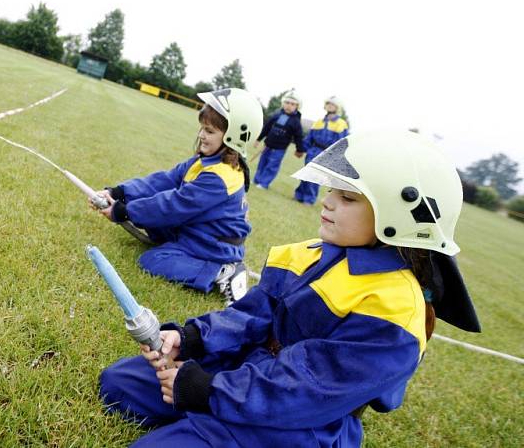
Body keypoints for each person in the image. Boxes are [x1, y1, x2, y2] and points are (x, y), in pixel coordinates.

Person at [98, 131, 481, 447]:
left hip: (299, 421)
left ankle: (207, 419)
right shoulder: (305, 254)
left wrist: (210, 390)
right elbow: (250, 314)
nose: (327, 202)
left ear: (400, 217)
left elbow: (308, 387)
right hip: (249, 373)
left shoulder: (395, 309)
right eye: (333, 190)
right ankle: (201, 413)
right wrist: (191, 339)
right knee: (119, 385)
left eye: (347, 197)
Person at [91, 88, 263, 305]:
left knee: (152, 259)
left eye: (209, 131)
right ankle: (191, 255)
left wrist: (124, 211)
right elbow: (163, 180)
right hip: (197, 231)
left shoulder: (220, 177)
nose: (201, 135)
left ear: (233, 137)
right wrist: (120, 193)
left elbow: (173, 206)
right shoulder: (204, 161)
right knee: (152, 222)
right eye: (202, 128)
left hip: (212, 245)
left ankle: (222, 271)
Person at [294, 96, 350, 205]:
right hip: (312, 151)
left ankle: (309, 199)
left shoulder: (341, 124)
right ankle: (299, 195)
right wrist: (301, 149)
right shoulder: (319, 121)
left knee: (316, 178)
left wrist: (335, 157)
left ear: (337, 108)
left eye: (333, 104)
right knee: (306, 175)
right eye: (328, 103)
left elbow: (341, 143)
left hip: (326, 153)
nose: (330, 106)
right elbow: (309, 137)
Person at [252, 90, 305, 189]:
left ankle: (264, 183)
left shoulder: (296, 122)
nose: (289, 106)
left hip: (279, 149)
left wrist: (299, 150)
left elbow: (298, 136)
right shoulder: (277, 115)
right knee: (262, 163)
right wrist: (258, 139)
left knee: (272, 166)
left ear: (297, 106)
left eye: (292, 104)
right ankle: (256, 180)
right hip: (267, 145)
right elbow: (267, 127)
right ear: (283, 103)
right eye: (287, 103)